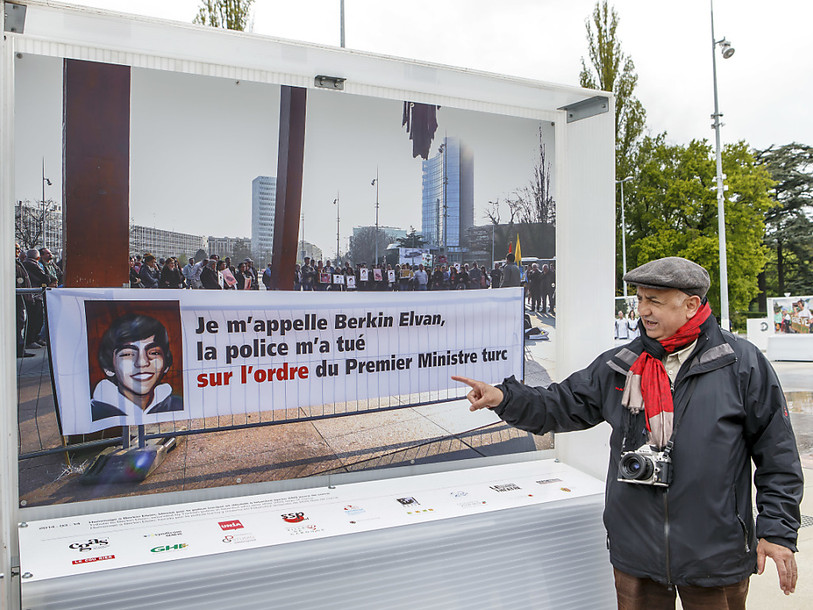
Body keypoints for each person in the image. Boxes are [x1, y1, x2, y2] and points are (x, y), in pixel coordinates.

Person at [453, 256, 802, 608]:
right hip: (638, 553)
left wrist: (777, 530)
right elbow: (561, 404)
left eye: (655, 301)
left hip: (715, 551)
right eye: (639, 299)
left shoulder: (741, 364)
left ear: (692, 304)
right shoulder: (620, 364)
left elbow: (778, 454)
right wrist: (504, 397)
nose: (643, 310)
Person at [91, 313, 182, 421]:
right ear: (109, 367)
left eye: (153, 353)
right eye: (128, 354)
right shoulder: (94, 412)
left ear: (166, 364)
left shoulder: (177, 404)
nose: (142, 362)